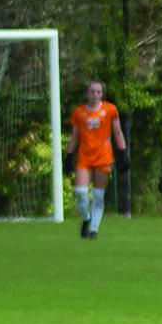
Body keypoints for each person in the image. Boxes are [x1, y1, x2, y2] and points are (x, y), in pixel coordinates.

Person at [69, 80, 127, 239]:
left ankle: (94, 228)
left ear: (102, 94)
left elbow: (117, 132)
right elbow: (75, 136)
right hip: (84, 158)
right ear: (87, 94)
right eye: (92, 92)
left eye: (98, 92)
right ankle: (87, 219)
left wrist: (122, 153)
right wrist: (68, 155)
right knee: (80, 192)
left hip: (103, 156)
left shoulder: (110, 110)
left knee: (98, 195)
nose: (95, 95)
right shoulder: (79, 112)